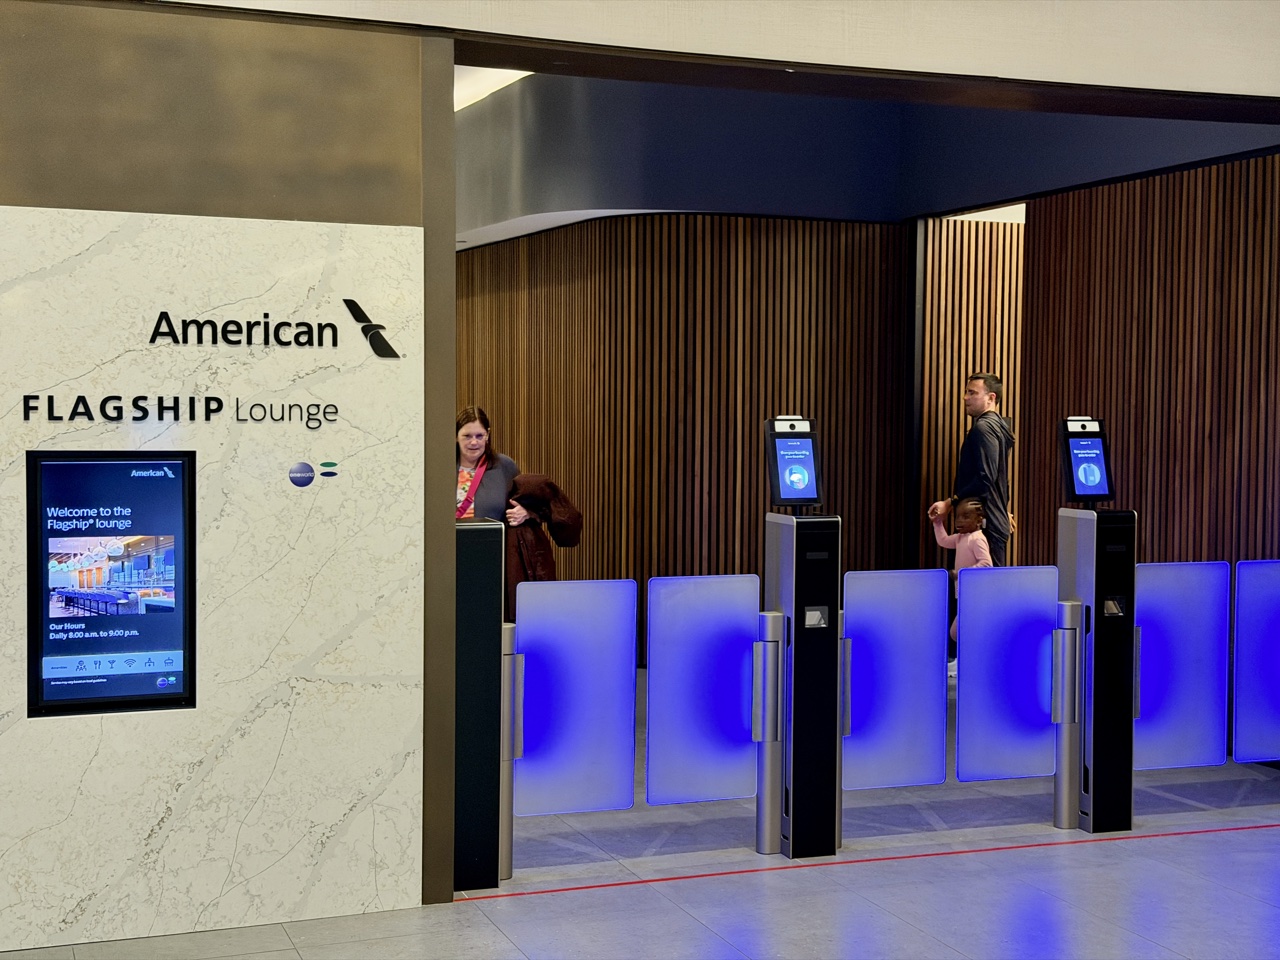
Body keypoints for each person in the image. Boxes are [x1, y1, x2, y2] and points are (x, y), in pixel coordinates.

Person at [928, 372, 1015, 565]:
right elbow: (1001, 477)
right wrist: (1001, 509)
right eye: (966, 392)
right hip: (992, 518)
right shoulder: (999, 426)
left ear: (991, 397)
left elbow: (986, 479)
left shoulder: (984, 428)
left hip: (983, 523)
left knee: (980, 588)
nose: (965, 398)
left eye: (972, 393)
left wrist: (951, 502)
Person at [931, 497, 993, 663]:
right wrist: (937, 523)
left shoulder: (977, 539)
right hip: (965, 594)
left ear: (979, 520)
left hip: (976, 595)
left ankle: (970, 661)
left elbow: (987, 564)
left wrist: (960, 573)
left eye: (966, 517)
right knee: (961, 631)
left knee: (957, 632)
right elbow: (943, 541)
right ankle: (970, 661)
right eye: (958, 516)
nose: (959, 521)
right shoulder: (960, 538)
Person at [455, 406, 525, 526]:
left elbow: (527, 504)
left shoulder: (505, 466)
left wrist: (525, 512)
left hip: (492, 541)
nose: (474, 442)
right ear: (456, 436)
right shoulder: (440, 469)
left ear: (487, 435)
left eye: (479, 436)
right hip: (446, 543)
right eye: (467, 436)